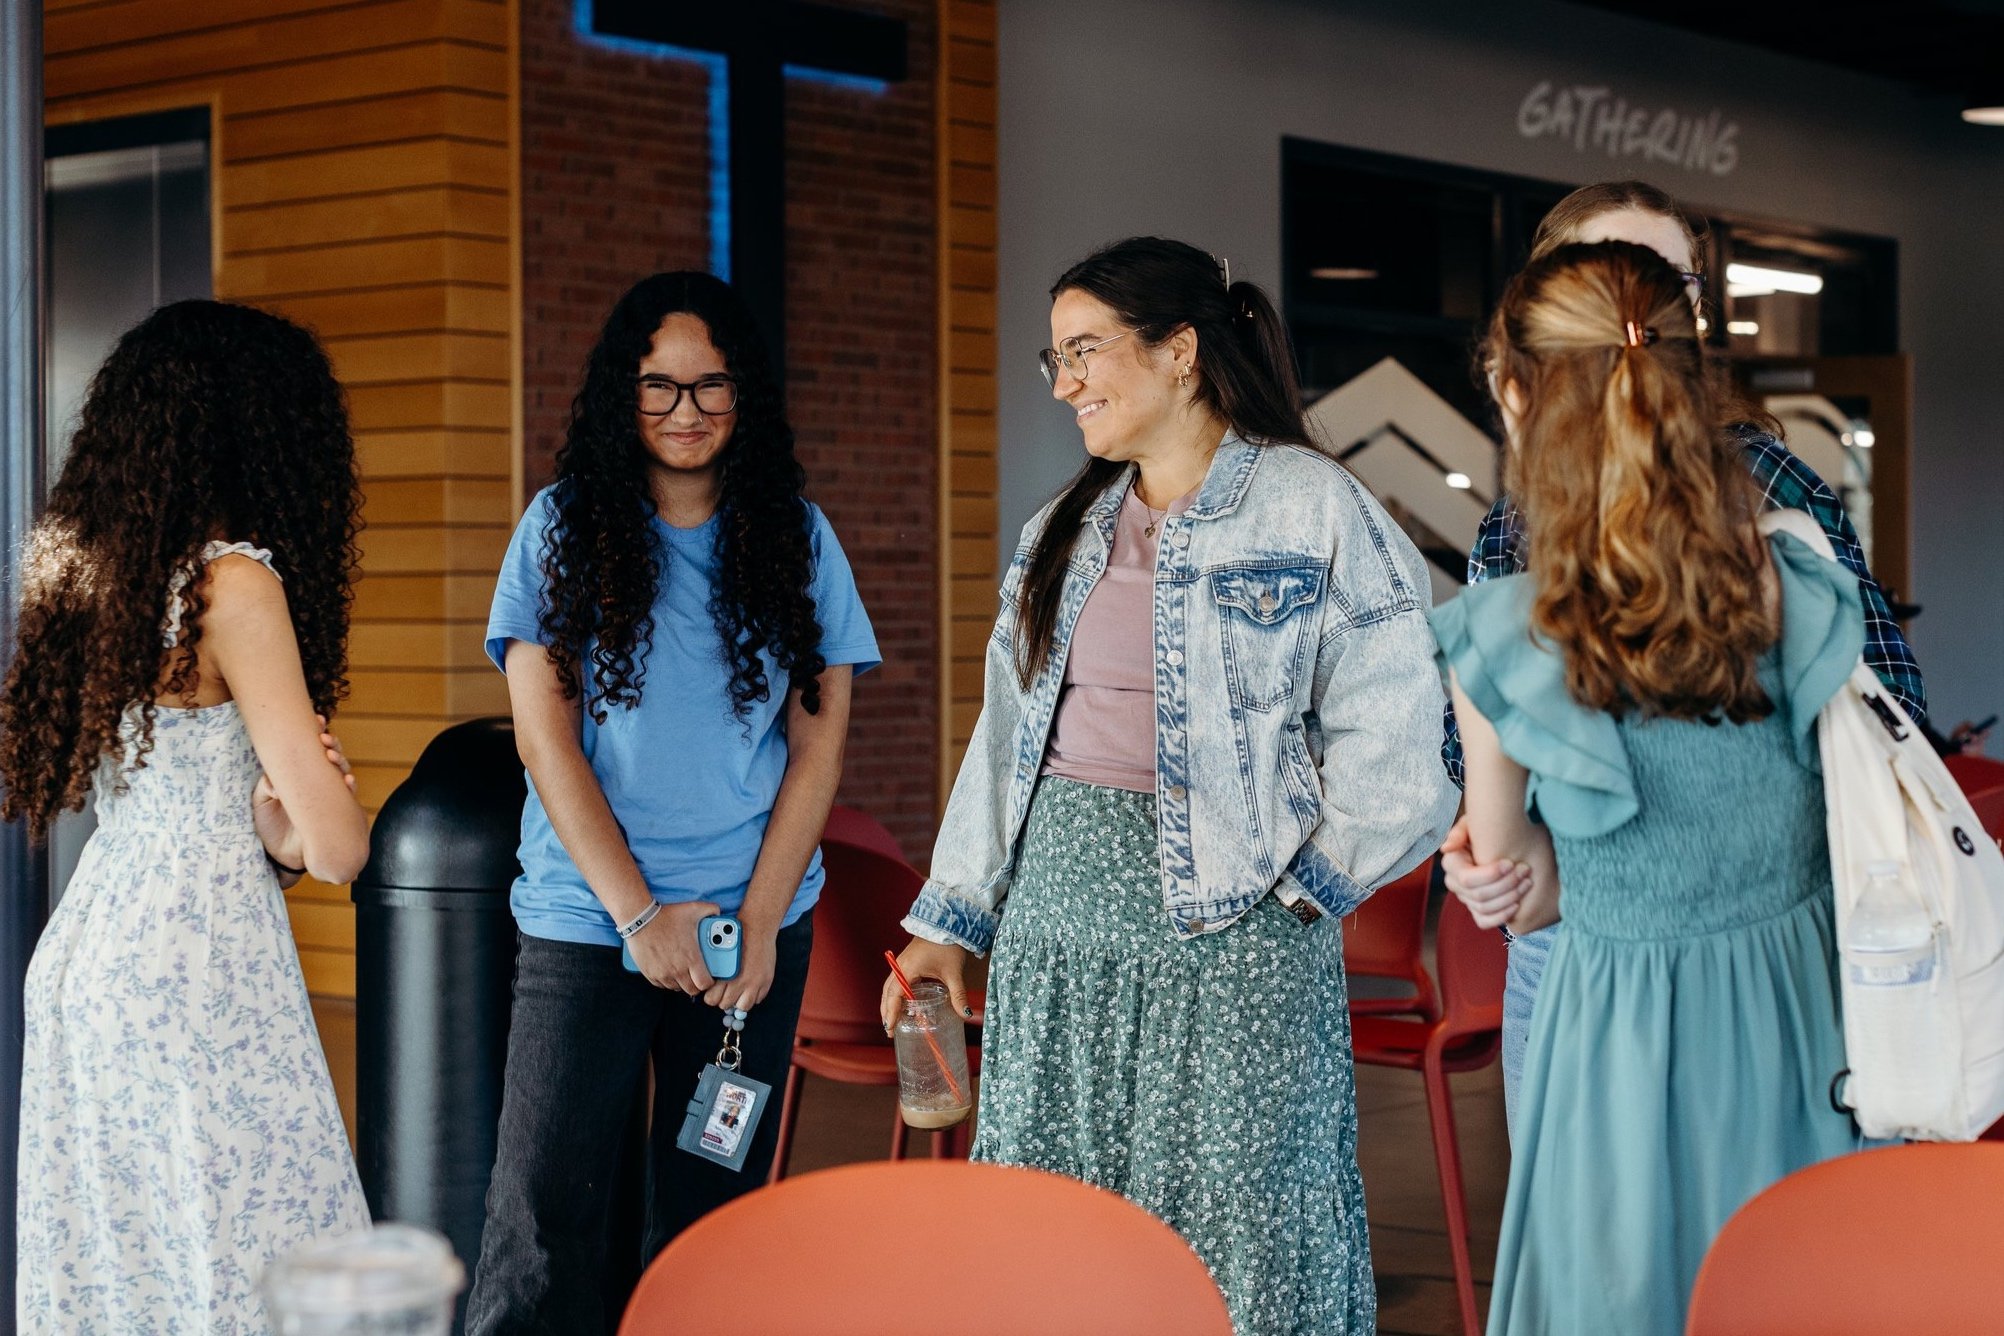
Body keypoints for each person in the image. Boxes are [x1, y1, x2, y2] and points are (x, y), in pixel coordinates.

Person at [881, 237, 1457, 1335]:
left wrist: (1300, 899)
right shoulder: (1060, 528)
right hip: (1058, 934)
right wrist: (948, 924)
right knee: (1058, 1229)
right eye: (1053, 360)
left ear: (1181, 351)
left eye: (1086, 350)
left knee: (1242, 1235)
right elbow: (1004, 744)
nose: (1067, 383)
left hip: (1233, 943)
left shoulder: (1315, 506)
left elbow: (1406, 743)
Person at [1436, 240, 1875, 1334]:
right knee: (1800, 1292)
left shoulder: (1504, 633)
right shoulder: (1800, 582)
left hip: (1620, 1034)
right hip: (1803, 1022)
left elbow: (1521, 888)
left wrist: (1507, 863)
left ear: (1513, 393)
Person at [1439, 180, 1927, 1127]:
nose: (1643, 303)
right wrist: (1487, 863)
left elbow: (1886, 722)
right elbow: (1480, 790)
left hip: (1726, 951)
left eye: (1670, 283)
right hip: (1600, 958)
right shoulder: (1514, 532)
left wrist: (1512, 853)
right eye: (1612, 272)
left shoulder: (1774, 489)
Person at [465, 271, 879, 1332]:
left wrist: (755, 923)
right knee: (543, 1215)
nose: (686, 413)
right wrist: (642, 919)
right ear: (622, 393)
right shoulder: (559, 529)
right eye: (660, 388)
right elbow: (544, 740)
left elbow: (818, 748)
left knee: (714, 1212)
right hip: (588, 920)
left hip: (749, 933)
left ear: (745, 397)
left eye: (710, 387)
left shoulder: (797, 536)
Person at [3, 300, 373, 1332]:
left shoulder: (94, 568)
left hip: (92, 953)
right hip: (197, 968)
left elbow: (264, 829)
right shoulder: (234, 582)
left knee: (124, 1271)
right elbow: (343, 849)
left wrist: (277, 825)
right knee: (250, 1261)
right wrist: (316, 805)